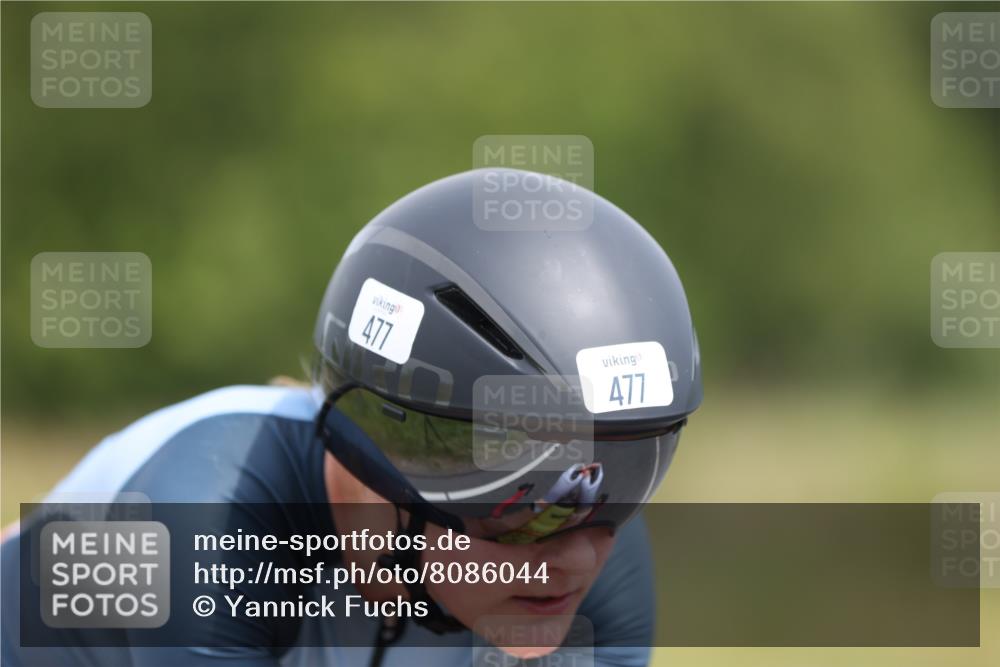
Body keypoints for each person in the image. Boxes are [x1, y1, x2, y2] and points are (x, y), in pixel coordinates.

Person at [1, 168, 702, 666]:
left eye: (628, 476)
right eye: (529, 505)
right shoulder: (207, 517)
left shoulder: (589, 571)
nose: (580, 551)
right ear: (384, 463)